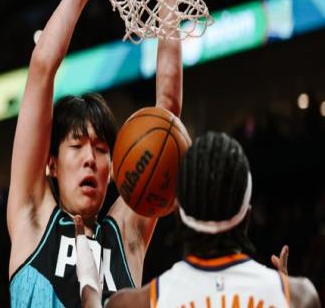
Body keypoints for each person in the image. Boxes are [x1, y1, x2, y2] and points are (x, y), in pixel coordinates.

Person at [7, 0, 184, 307]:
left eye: (102, 149)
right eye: (77, 146)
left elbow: (167, 113)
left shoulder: (126, 236)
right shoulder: (32, 216)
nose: (90, 158)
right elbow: (41, 70)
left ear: (115, 168)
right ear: (51, 164)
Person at [75, 132, 321, 308]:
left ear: (177, 212)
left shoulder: (136, 303)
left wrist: (87, 276)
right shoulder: (299, 297)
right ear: (246, 215)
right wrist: (281, 291)